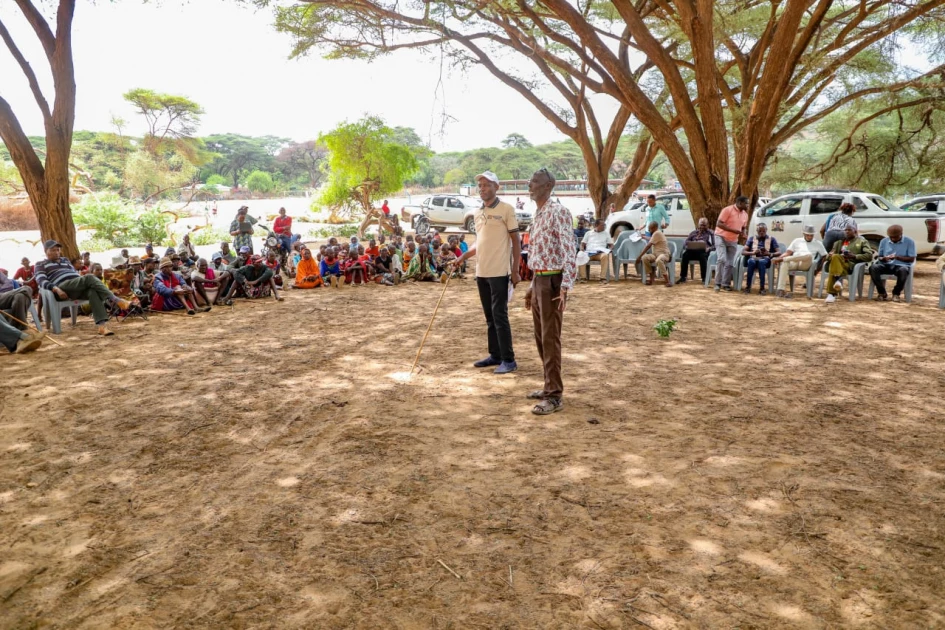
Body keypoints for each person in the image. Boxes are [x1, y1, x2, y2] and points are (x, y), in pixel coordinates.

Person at [453, 170, 521, 374]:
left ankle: (509, 360)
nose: (482, 189)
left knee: (500, 315)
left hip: (500, 271)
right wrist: (462, 258)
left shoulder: (507, 209)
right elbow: (479, 243)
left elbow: (516, 241)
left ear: (496, 187)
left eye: (487, 185)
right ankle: (495, 355)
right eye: (480, 185)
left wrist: (515, 270)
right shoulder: (477, 212)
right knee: (489, 316)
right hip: (481, 272)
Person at [523, 168, 577, 415]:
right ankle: (548, 386)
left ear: (548, 186)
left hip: (554, 283)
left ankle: (555, 396)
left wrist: (565, 287)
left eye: (535, 182)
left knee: (550, 337)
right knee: (540, 336)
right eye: (531, 181)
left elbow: (568, 252)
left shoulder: (559, 212)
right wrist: (532, 285)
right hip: (539, 281)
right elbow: (539, 253)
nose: (530, 184)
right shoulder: (539, 214)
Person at [34, 240, 133, 336]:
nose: (56, 252)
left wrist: (80, 281)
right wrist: (56, 289)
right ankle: (116, 300)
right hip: (62, 287)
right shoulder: (40, 264)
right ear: (45, 251)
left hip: (77, 285)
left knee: (92, 291)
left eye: (57, 250)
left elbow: (74, 274)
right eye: (53, 250)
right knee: (89, 277)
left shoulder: (65, 260)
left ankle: (102, 327)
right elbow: (41, 281)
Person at [772, 225, 827, 298]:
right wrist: (780, 257)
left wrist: (817, 270)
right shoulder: (797, 241)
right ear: (804, 234)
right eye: (808, 235)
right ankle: (780, 290)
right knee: (784, 263)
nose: (810, 237)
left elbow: (824, 256)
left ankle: (784, 259)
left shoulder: (818, 243)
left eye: (811, 235)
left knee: (809, 255)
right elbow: (788, 253)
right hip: (794, 262)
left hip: (805, 264)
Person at [824, 226, 874, 303]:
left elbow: (869, 256)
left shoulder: (861, 242)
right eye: (845, 230)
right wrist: (830, 255)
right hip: (837, 265)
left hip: (851, 266)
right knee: (836, 257)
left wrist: (854, 256)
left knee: (835, 260)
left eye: (849, 230)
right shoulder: (838, 243)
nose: (847, 232)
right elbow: (827, 257)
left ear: (855, 231)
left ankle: (832, 292)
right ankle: (836, 283)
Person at [870, 225, 916, 302]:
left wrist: (897, 257)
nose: (893, 239)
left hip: (901, 265)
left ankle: (896, 293)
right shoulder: (884, 241)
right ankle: (882, 293)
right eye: (891, 237)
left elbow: (911, 259)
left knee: (903, 270)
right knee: (873, 268)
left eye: (895, 237)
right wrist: (884, 258)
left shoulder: (909, 242)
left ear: (901, 234)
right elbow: (879, 256)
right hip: (886, 265)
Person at [714, 196, 750, 291]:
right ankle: (717, 283)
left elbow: (743, 227)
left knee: (730, 262)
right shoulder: (727, 210)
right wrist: (734, 230)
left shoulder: (745, 215)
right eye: (746, 203)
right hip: (720, 236)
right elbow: (719, 224)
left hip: (733, 240)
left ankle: (725, 284)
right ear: (740, 203)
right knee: (722, 259)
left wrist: (744, 233)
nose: (748, 205)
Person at [742, 223, 779, 295]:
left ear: (766, 231)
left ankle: (762, 288)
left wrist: (768, 254)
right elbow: (743, 251)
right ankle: (747, 287)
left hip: (765, 259)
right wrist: (753, 252)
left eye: (763, 231)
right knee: (751, 262)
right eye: (760, 231)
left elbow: (779, 252)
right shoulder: (752, 238)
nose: (761, 233)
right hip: (754, 257)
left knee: (761, 262)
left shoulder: (771, 239)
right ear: (757, 231)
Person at [636, 221, 673, 286]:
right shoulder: (655, 234)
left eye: (650, 229)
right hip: (655, 255)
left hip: (664, 254)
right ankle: (651, 278)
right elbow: (651, 239)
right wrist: (643, 237)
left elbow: (648, 246)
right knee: (645, 258)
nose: (649, 230)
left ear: (655, 228)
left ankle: (667, 281)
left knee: (659, 260)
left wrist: (639, 257)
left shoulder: (657, 233)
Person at [678, 218, 715, 283]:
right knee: (685, 255)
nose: (702, 227)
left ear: (707, 225)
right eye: (701, 225)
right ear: (698, 225)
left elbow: (715, 246)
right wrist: (689, 246)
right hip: (692, 251)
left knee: (703, 257)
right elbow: (686, 243)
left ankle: (704, 278)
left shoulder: (710, 233)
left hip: (703, 252)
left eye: (704, 225)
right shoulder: (693, 233)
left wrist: (709, 248)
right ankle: (683, 277)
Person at [580, 218, 613, 283]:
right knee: (581, 255)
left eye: (604, 225)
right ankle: (583, 278)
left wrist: (609, 250)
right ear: (596, 225)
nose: (604, 226)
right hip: (589, 253)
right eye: (602, 225)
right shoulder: (588, 233)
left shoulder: (606, 233)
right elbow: (582, 244)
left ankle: (602, 278)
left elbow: (611, 245)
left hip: (599, 254)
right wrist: (582, 250)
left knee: (605, 256)